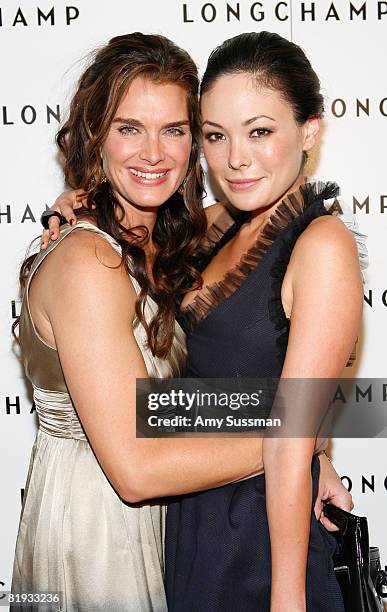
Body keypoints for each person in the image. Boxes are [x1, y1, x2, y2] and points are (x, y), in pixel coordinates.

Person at [39, 32, 362, 612]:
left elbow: (304, 398)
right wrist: (298, 435)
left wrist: (307, 445)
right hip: (174, 520)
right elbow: (186, 401)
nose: (236, 157)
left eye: (260, 131)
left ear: (309, 131)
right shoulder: (211, 230)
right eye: (216, 135)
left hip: (256, 536)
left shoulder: (320, 242)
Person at [11, 33, 269, 612]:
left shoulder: (168, 238)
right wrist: (292, 430)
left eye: (173, 130)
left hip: (163, 518)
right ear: (95, 136)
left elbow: (273, 200)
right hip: (95, 534)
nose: (153, 153)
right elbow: (135, 470)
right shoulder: (88, 259)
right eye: (129, 128)